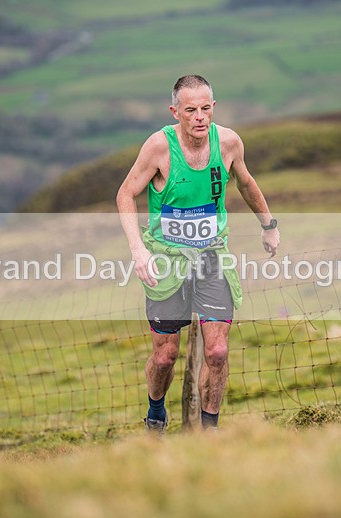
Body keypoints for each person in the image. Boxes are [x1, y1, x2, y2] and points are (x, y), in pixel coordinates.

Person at [116, 74, 280, 433]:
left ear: (214, 107)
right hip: (166, 261)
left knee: (217, 352)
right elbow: (125, 193)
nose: (200, 117)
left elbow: (246, 182)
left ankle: (209, 433)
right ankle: (155, 413)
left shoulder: (229, 143)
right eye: (190, 110)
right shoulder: (159, 147)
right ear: (175, 111)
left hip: (212, 257)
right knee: (165, 355)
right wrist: (138, 250)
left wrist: (269, 225)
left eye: (206, 108)